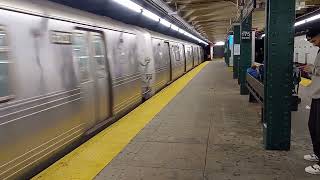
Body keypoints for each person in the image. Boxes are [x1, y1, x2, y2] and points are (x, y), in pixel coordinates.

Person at [304, 26, 320, 175]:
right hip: (317, 94)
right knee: (313, 126)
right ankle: (317, 153)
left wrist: (312, 70)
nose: (313, 44)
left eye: (314, 40)